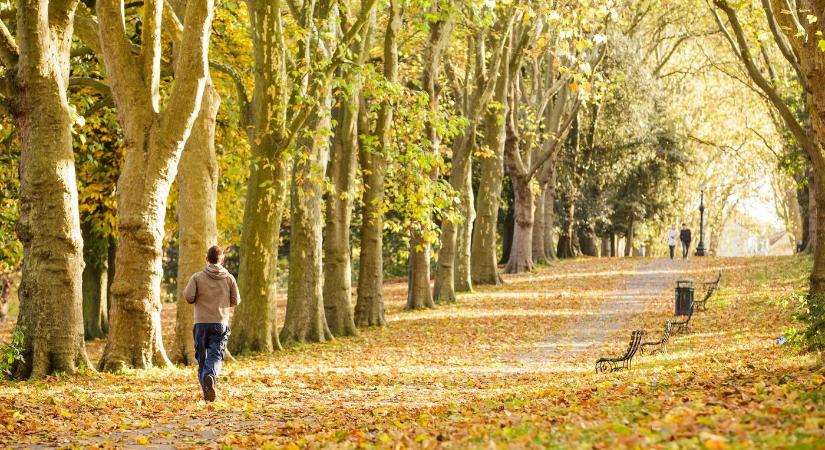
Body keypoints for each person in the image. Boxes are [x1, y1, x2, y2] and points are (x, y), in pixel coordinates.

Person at [183, 245, 240, 402]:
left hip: (200, 323)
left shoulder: (197, 277)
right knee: (215, 355)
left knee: (202, 358)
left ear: (206, 259)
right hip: (220, 323)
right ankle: (210, 378)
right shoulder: (229, 278)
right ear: (222, 259)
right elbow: (236, 301)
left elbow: (188, 297)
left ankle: (207, 390)